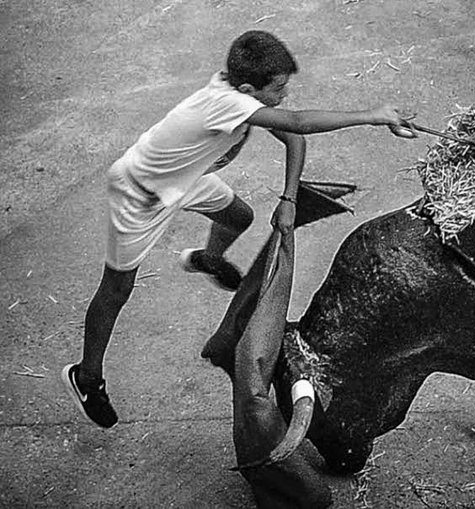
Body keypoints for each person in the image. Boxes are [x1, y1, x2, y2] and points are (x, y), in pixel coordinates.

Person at [61, 30, 417, 428]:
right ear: (248, 88)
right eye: (278, 89)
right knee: (117, 290)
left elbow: (294, 139)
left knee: (238, 217)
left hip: (187, 178)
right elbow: (298, 122)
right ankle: (86, 377)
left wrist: (289, 199)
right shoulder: (226, 104)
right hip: (141, 194)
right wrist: (374, 115)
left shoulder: (244, 99)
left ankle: (208, 258)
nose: (284, 96)